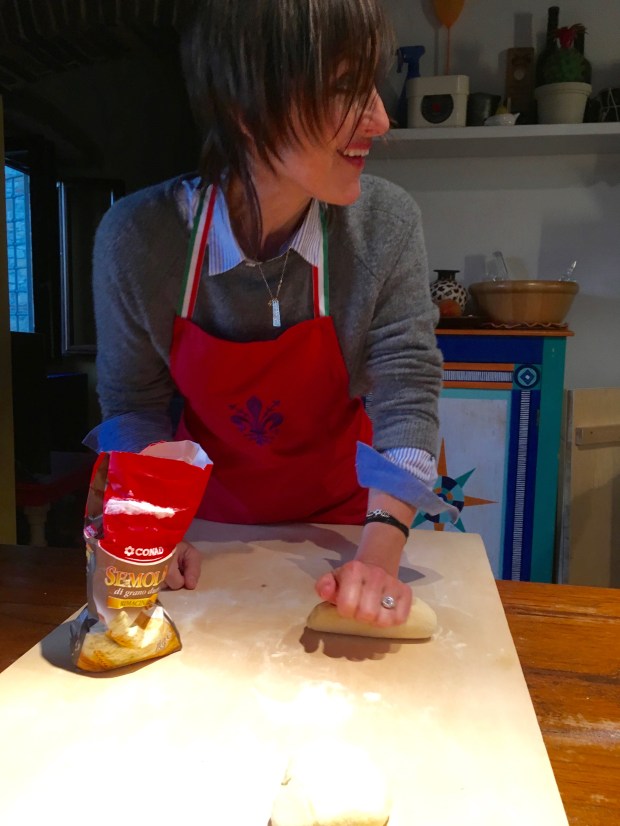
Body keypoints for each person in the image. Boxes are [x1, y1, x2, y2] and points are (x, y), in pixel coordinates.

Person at [85, 0, 457, 629]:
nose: (381, 118)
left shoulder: (385, 226)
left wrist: (378, 556)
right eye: (346, 87)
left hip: (348, 529)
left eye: (373, 84)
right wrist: (154, 528)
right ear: (246, 105)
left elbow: (407, 398)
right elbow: (133, 404)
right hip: (205, 535)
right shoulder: (138, 240)